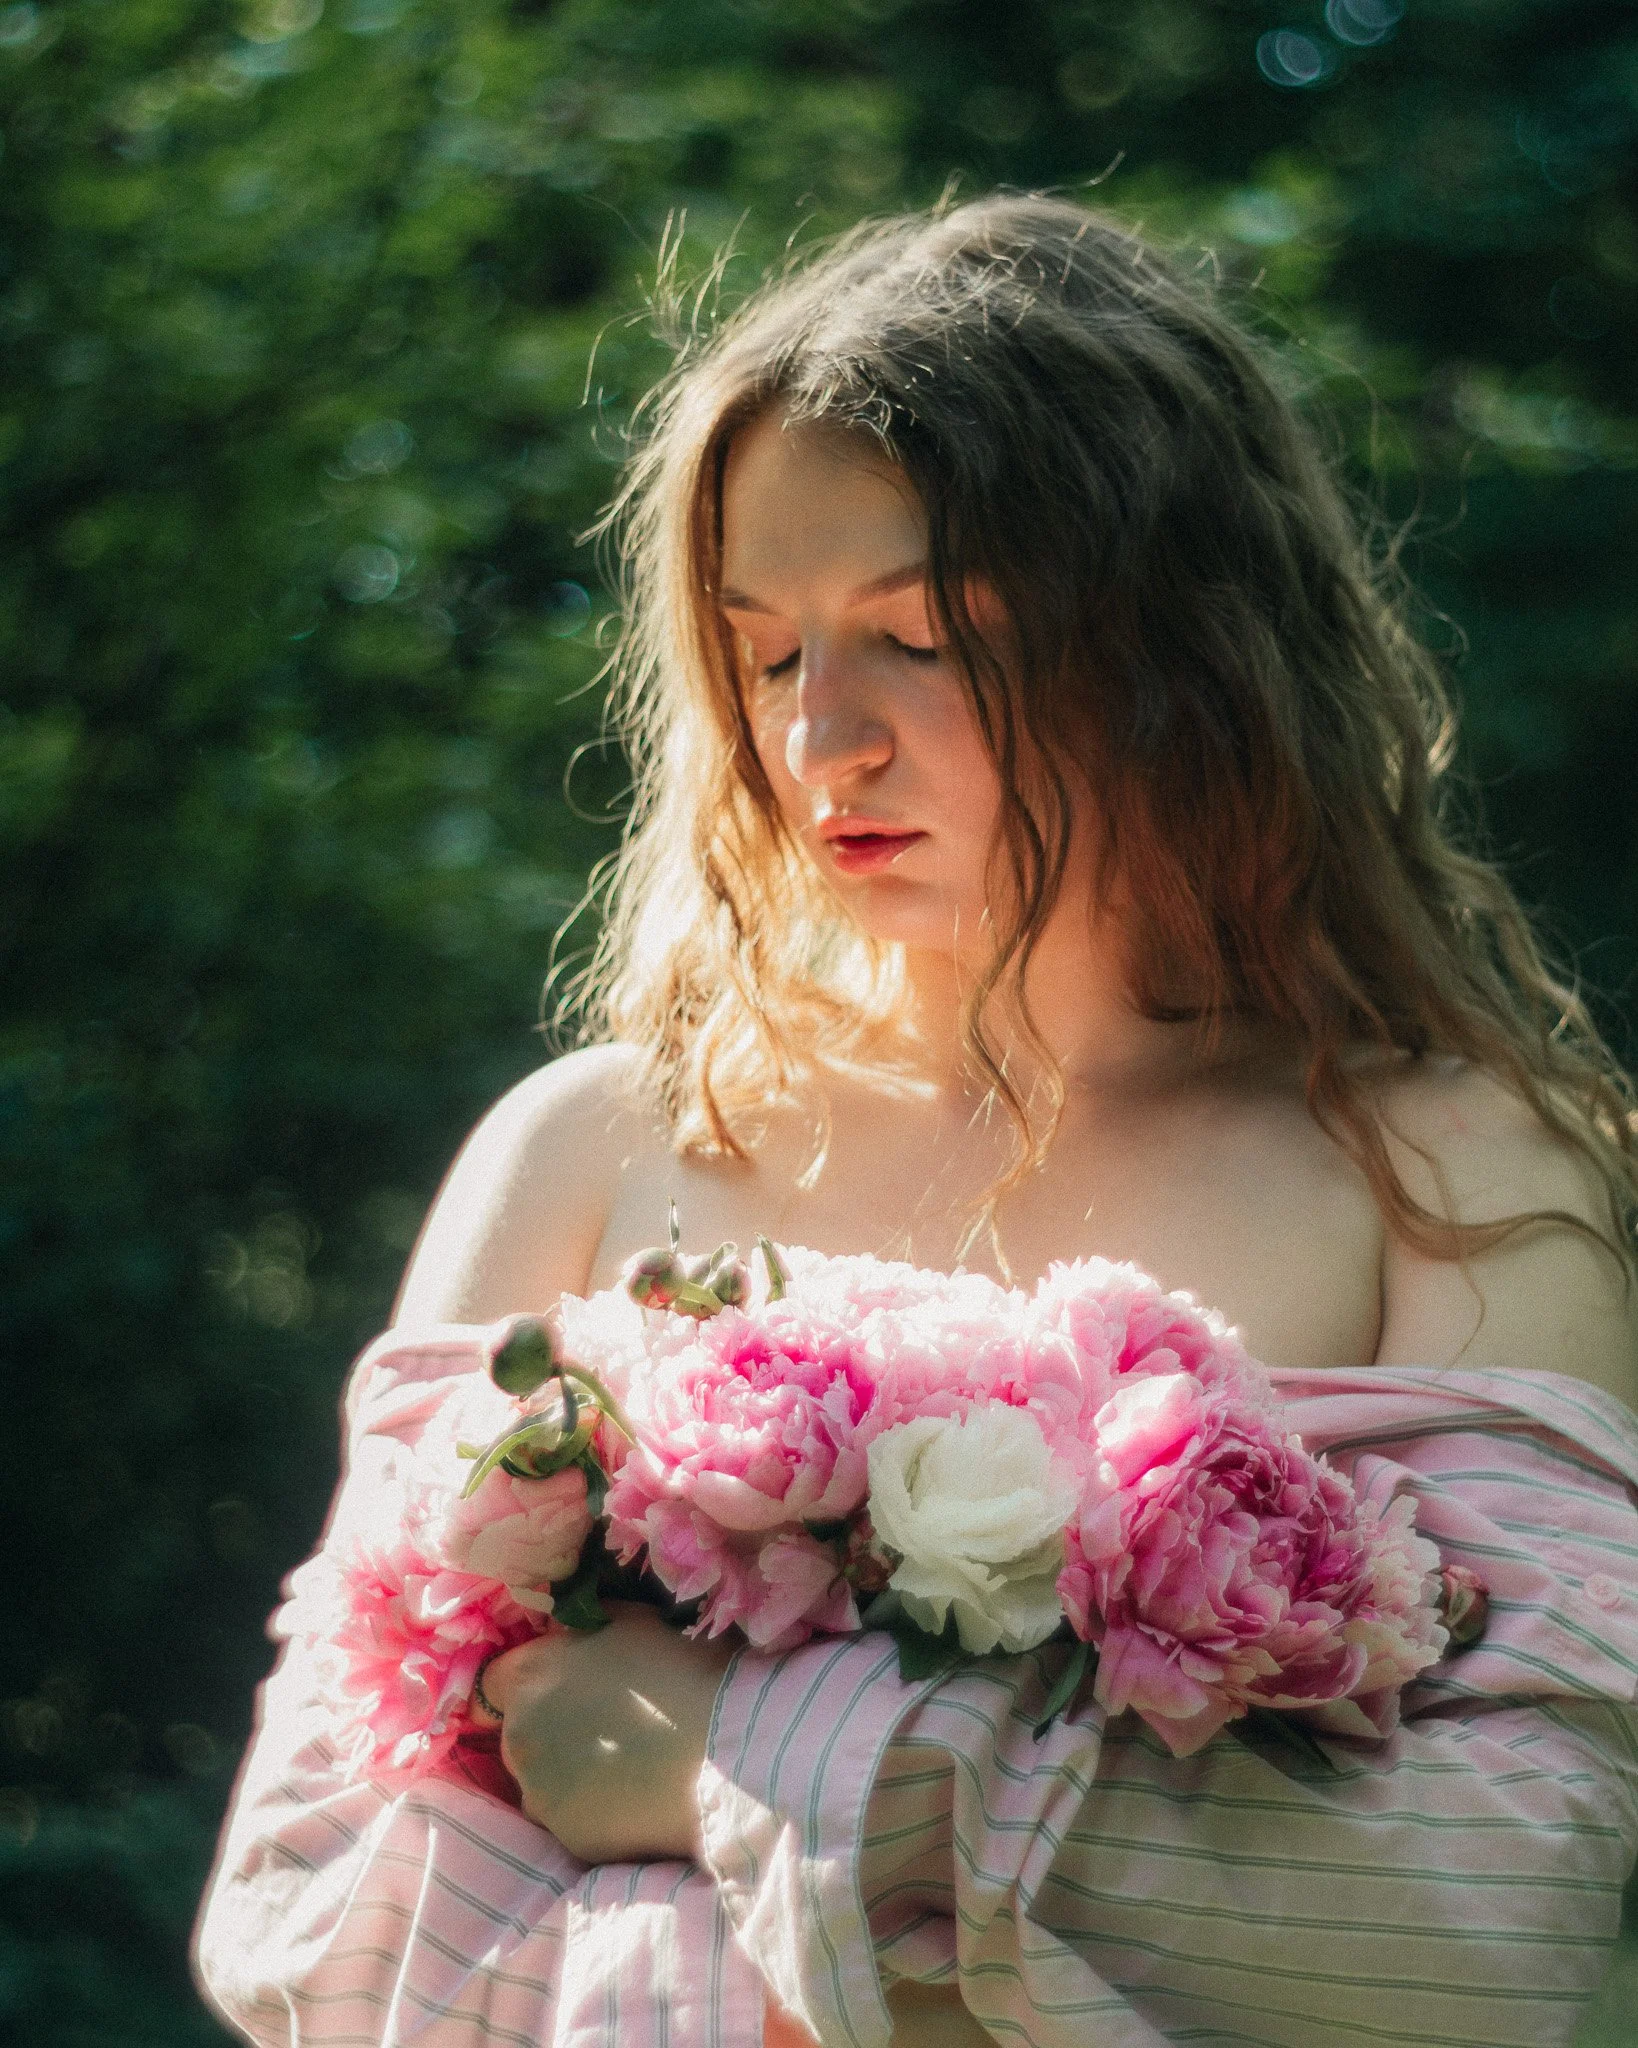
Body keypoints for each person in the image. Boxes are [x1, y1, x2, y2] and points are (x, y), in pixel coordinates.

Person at [195, 195, 1638, 2048]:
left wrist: (744, 1763)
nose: (819, 746)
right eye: (769, 653)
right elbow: (314, 1921)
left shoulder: (1455, 1175)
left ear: (1178, 646)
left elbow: (1481, 1931)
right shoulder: (585, 1150)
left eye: (926, 634)